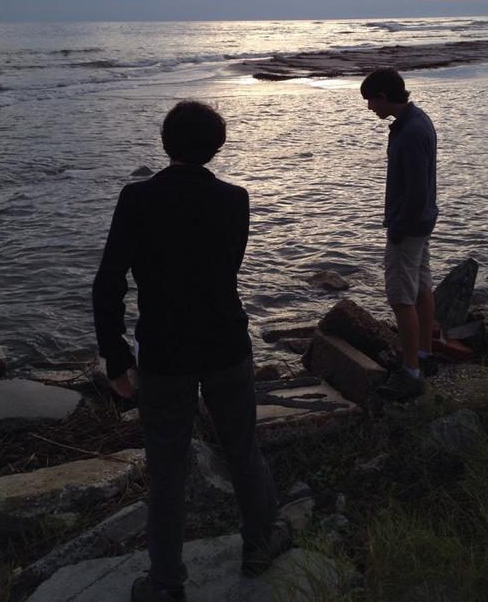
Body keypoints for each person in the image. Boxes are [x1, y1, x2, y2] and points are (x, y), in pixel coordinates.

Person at [92, 100, 291, 602]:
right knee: (243, 450)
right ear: (216, 147)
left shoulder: (137, 199)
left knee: (166, 470)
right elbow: (226, 270)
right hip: (226, 343)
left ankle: (166, 585)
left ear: (166, 142)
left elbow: (108, 283)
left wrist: (116, 358)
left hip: (164, 351)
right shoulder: (235, 198)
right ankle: (261, 545)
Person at [360, 69, 438, 400]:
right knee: (421, 288)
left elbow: (417, 191)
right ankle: (423, 355)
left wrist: (397, 229)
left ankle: (410, 372)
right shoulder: (418, 121)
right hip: (422, 223)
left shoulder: (409, 132)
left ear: (382, 97)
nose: (369, 109)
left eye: (370, 102)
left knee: (400, 297)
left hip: (409, 226)